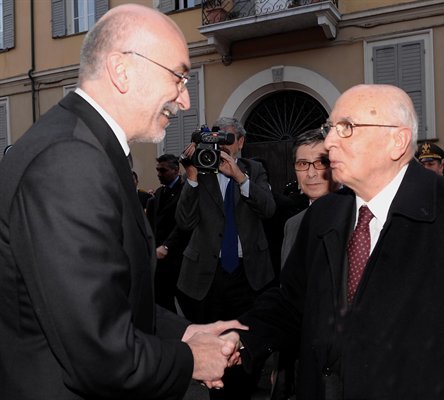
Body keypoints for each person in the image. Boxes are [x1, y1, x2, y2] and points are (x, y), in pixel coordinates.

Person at [0, 4, 244, 399]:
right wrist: (191, 359)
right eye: (179, 77)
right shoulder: (69, 160)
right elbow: (98, 353)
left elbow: (113, 298)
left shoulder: (86, 145)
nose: (184, 100)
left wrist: (185, 332)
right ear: (122, 70)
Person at [223, 84, 444, 399]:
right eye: (329, 128)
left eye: (346, 128)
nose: (329, 142)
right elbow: (292, 302)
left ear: (397, 141)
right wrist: (240, 339)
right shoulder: (324, 214)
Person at [175, 116, 276, 399]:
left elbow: (269, 209)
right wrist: (192, 177)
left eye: (228, 138)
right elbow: (183, 221)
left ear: (240, 142)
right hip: (208, 276)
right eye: (215, 138)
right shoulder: (201, 171)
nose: (221, 145)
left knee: (245, 342)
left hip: (248, 275)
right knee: (212, 343)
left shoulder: (254, 170)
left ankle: (244, 390)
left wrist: (240, 177)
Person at [280, 129, 336, 267]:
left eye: (321, 162)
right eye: (303, 164)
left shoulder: (358, 220)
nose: (311, 174)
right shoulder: (292, 225)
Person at [146, 153, 190, 312]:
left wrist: (167, 246)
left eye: (163, 170)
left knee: (187, 305)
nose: (159, 174)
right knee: (163, 303)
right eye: (158, 170)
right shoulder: (158, 194)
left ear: (176, 170)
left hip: (179, 257)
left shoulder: (185, 192)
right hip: (160, 260)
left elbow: (183, 225)